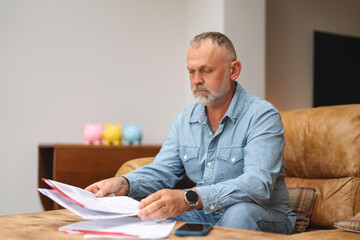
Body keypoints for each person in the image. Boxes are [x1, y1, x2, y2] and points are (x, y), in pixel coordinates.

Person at [86, 32, 297, 234]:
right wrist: (123, 184)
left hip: (264, 214)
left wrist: (190, 198)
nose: (196, 80)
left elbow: (257, 184)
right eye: (191, 71)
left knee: (239, 212)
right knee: (141, 209)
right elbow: (162, 170)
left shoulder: (262, 115)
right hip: (204, 215)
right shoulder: (184, 119)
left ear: (234, 70)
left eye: (206, 70)